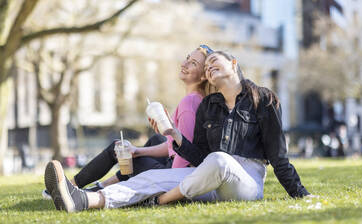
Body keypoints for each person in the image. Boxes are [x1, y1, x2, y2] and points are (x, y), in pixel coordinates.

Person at [44, 51, 310, 212]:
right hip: (207, 176)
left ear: (233, 63)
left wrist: (301, 194)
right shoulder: (209, 106)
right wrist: (174, 133)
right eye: (207, 67)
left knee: (219, 160)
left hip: (246, 182)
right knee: (149, 179)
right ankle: (85, 199)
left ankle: (162, 201)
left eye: (214, 62)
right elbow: (200, 157)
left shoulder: (263, 99)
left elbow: (278, 156)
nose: (209, 67)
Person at [42, 45, 215, 199]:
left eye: (193, 63)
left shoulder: (189, 103)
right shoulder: (197, 99)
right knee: (152, 142)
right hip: (176, 169)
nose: (184, 64)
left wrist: (173, 188)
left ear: (202, 77)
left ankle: (71, 187)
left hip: (174, 177)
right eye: (187, 58)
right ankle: (100, 185)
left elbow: (184, 154)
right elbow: (176, 146)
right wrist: (138, 150)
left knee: (120, 150)